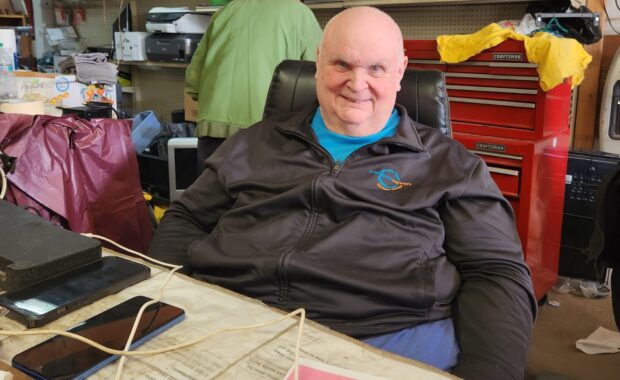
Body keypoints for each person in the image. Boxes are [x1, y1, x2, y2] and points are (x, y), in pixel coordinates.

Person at [150, 6, 537, 379]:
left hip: (386, 339)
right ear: (318, 62)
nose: (357, 84)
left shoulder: (450, 167)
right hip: (236, 324)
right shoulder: (254, 143)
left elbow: (496, 270)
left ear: (400, 72)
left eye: (376, 68)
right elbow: (186, 218)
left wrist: (491, 371)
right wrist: (166, 306)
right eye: (342, 64)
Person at [185, 0, 322, 169]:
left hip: (213, 132)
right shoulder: (299, 14)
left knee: (209, 194)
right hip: (270, 134)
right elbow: (321, 78)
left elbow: (193, 84)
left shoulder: (224, 12)